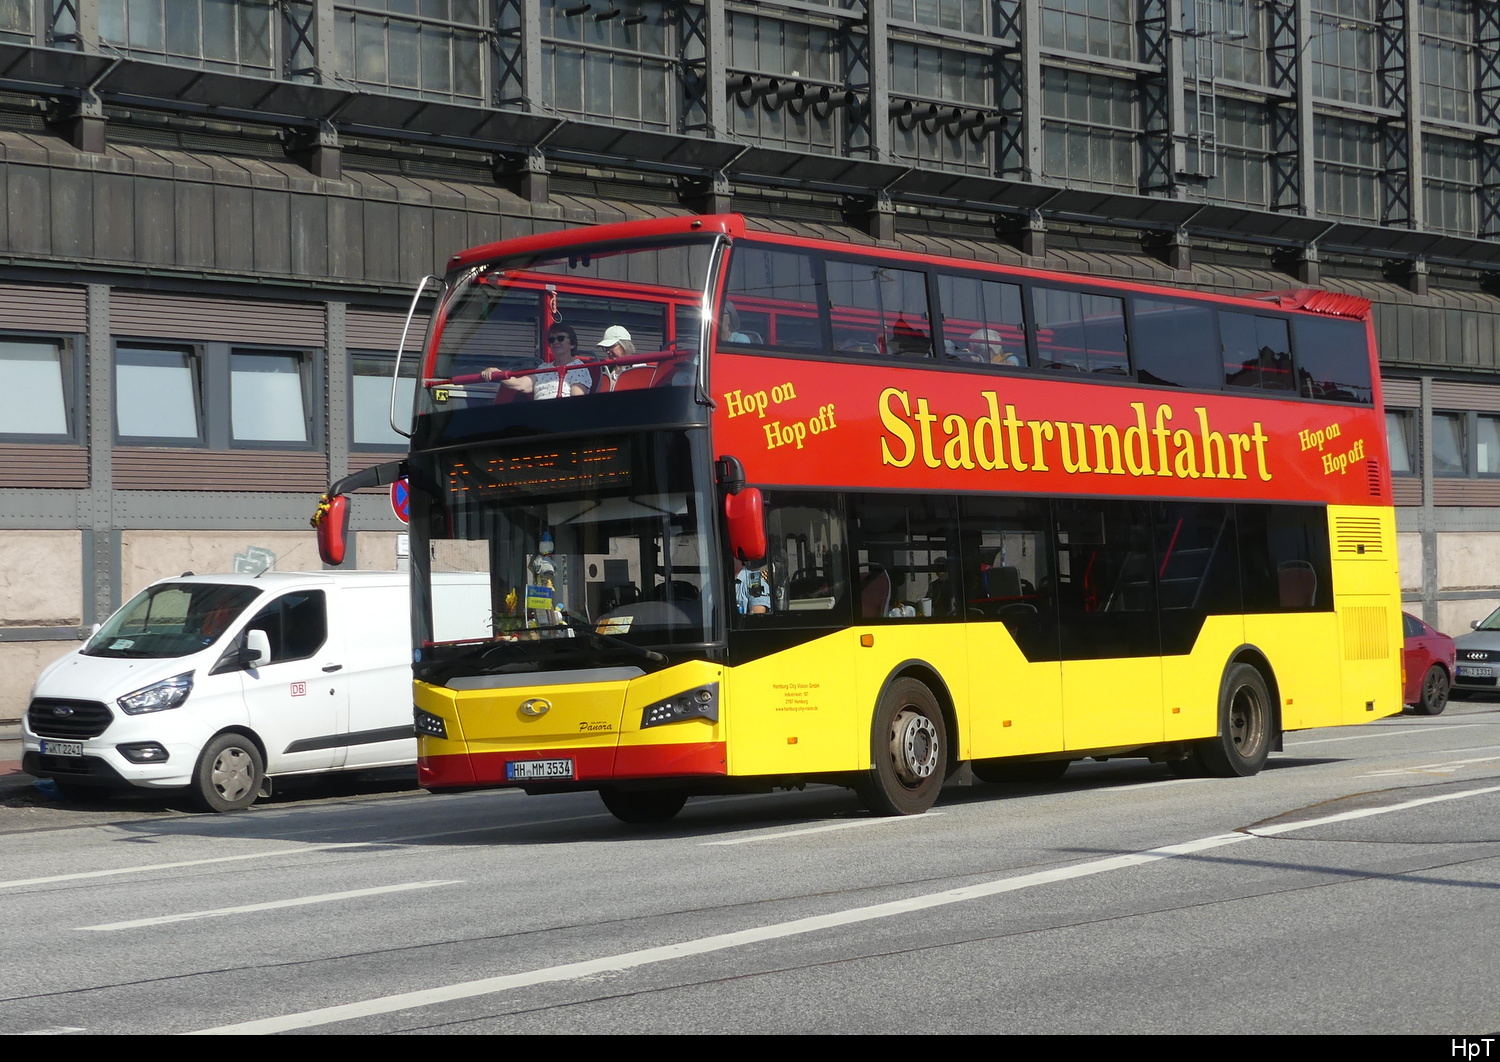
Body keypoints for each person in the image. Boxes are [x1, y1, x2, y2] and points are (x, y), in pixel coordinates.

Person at [482, 323, 592, 399]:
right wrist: (497, 372)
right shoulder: (544, 368)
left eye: (560, 338)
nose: (555, 342)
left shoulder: (578, 367)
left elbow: (576, 400)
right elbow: (520, 385)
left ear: (572, 344)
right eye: (551, 339)